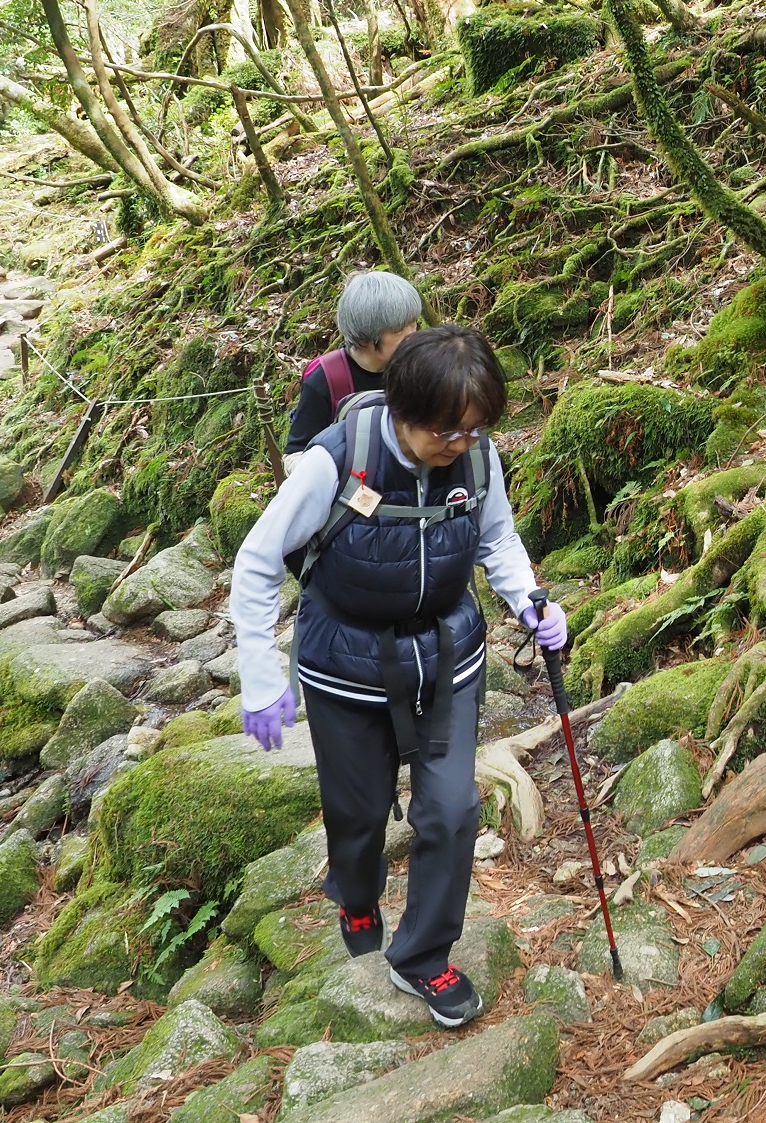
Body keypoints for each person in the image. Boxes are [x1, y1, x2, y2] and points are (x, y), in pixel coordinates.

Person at [233, 325, 568, 1027]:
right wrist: (262, 675)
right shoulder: (335, 462)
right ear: (399, 408)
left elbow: (495, 535)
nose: (459, 445)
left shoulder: (477, 458)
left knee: (452, 810)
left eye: (474, 432)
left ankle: (422, 958)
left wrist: (530, 601)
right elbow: (259, 560)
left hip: (447, 656)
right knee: (357, 816)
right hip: (346, 665)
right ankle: (356, 893)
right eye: (447, 432)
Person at [285, 270, 425, 455]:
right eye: (399, 330)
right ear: (365, 338)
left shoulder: (421, 367)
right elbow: (296, 453)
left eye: (413, 324)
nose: (412, 336)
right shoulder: (327, 378)